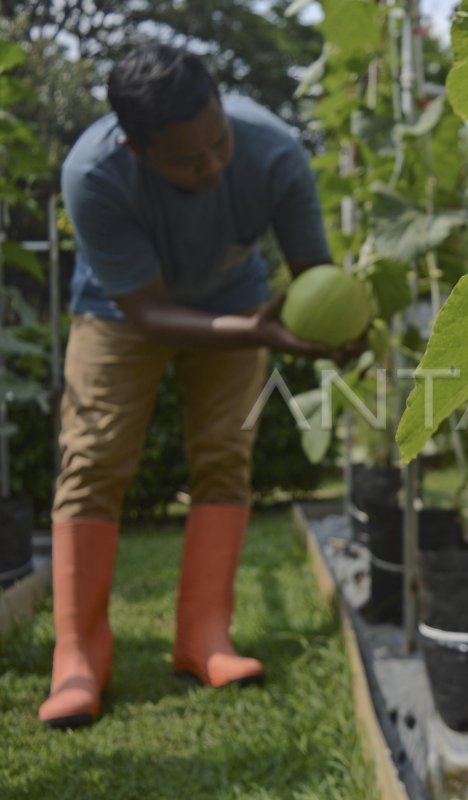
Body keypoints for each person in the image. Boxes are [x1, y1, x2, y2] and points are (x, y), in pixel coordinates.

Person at [40, 43, 346, 729]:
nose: (212, 164)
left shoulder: (273, 151)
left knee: (224, 459)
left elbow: (313, 275)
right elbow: (147, 311)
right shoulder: (93, 175)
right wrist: (252, 333)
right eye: (187, 159)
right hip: (120, 312)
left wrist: (339, 329)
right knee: (93, 460)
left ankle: (203, 637)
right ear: (136, 147)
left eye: (219, 142)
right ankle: (78, 657)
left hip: (241, 302)